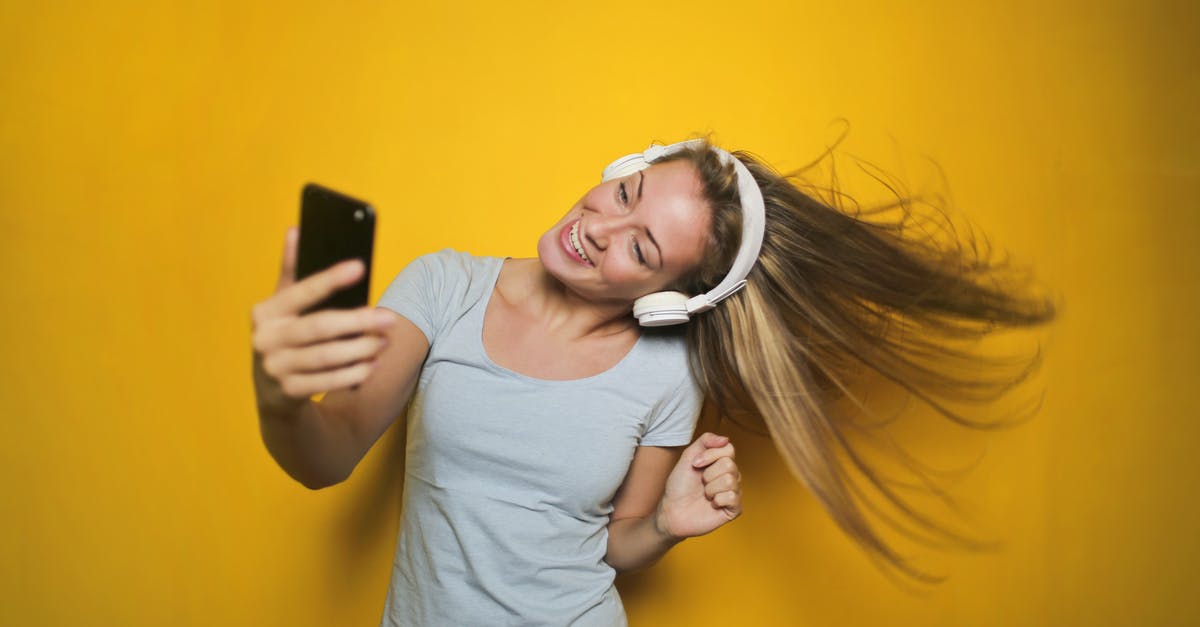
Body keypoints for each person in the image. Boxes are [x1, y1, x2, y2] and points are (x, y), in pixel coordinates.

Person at [251, 138, 1054, 624]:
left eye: (641, 249)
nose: (598, 226)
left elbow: (614, 541)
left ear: (670, 299)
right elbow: (326, 457)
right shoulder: (444, 285)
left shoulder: (668, 372)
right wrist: (280, 390)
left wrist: (666, 523)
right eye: (626, 192)